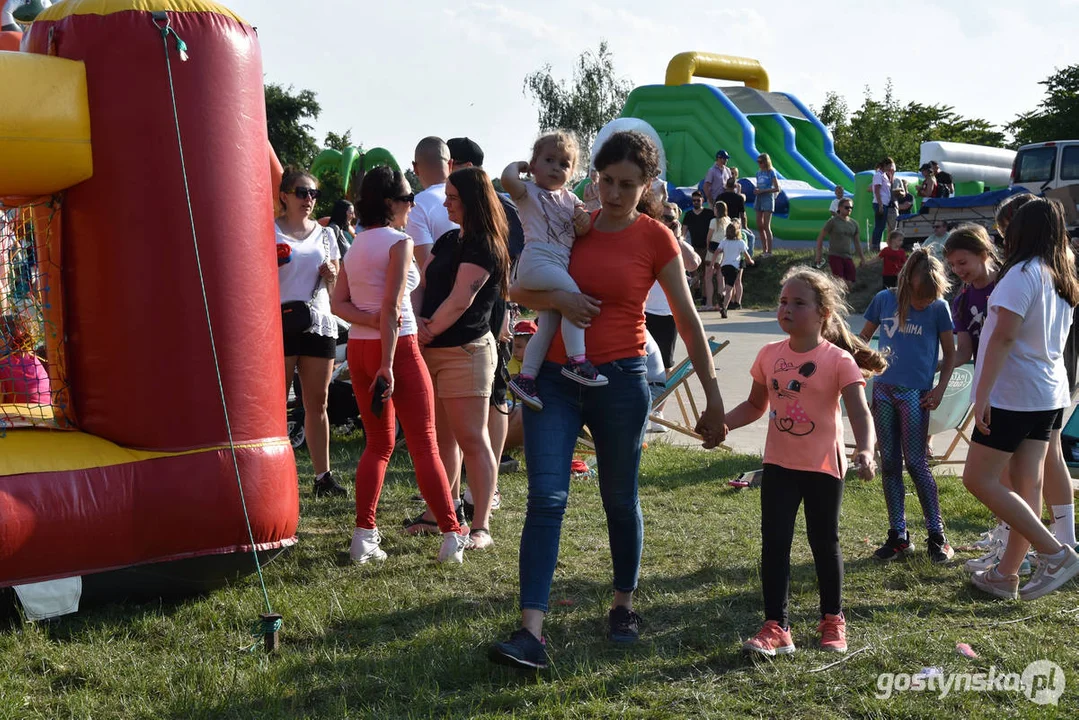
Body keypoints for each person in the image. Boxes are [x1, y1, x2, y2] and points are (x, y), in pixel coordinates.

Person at [488, 130, 726, 670]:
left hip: (620, 380)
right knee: (546, 498)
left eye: (627, 185)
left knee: (619, 497)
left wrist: (712, 397)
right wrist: (563, 298)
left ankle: (623, 603)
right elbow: (514, 290)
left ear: (646, 186)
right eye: (606, 181)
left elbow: (688, 321)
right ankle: (531, 631)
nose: (614, 194)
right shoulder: (573, 222)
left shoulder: (655, 238)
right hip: (553, 379)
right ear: (592, 177)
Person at [726, 267, 881, 657]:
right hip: (779, 464)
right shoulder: (768, 355)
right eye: (782, 302)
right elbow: (754, 406)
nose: (787, 309)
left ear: (823, 312)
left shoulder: (838, 360)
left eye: (798, 303)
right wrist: (721, 425)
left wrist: (865, 448)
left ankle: (832, 619)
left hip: (824, 468)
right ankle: (776, 627)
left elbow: (861, 413)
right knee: (774, 544)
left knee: (823, 543)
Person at [329, 166, 467, 564]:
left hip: (359, 348)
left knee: (378, 445)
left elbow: (340, 305)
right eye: (408, 199)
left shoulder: (355, 244)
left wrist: (373, 324)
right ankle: (452, 535)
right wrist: (388, 362)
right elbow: (391, 307)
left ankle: (364, 534)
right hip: (398, 348)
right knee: (424, 442)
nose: (412, 205)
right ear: (390, 203)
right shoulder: (399, 242)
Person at [962, 198, 1079, 600]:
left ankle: (1052, 553)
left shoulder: (1020, 274)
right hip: (1047, 394)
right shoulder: (1059, 276)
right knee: (1027, 482)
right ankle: (1007, 574)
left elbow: (1005, 335)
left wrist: (982, 393)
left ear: (1018, 232)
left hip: (1014, 395)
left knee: (978, 478)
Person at [413, 166, 510, 551]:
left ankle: (481, 525)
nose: (446, 203)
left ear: (471, 200)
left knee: (472, 437)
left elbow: (460, 298)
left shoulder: (485, 244)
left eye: (452, 197)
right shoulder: (450, 239)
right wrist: (417, 321)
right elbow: (424, 284)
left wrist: (428, 329)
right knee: (442, 440)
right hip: (433, 349)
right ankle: (444, 512)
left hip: (466, 352)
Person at [860, 249, 956, 563]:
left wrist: (940, 388)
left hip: (916, 395)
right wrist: (857, 367)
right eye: (919, 297)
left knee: (915, 462)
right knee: (889, 462)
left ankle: (937, 534)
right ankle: (898, 534)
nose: (923, 303)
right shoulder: (884, 300)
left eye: (929, 298)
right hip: (884, 391)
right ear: (906, 284)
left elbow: (951, 353)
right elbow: (861, 341)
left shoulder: (939, 308)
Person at [447, 136, 523, 507]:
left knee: (492, 396)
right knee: (488, 398)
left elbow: (511, 262)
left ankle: (484, 487)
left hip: (483, 311)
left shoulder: (496, 206)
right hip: (489, 308)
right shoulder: (502, 205)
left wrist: (507, 310)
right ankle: (471, 486)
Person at [504, 131, 600, 412]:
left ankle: (527, 377)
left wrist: (582, 218)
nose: (556, 168)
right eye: (548, 160)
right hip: (536, 262)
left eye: (564, 163)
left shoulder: (570, 198)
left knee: (547, 323)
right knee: (573, 300)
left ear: (572, 172)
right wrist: (517, 167)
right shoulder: (529, 192)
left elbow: (583, 227)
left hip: (555, 265)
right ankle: (578, 361)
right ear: (534, 165)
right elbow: (509, 180)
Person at [275, 169, 346, 498]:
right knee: (276, 406)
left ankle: (322, 477)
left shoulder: (326, 235)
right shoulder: (270, 232)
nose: (309, 199)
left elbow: (336, 289)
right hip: (281, 323)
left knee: (318, 402)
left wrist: (332, 275)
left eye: (314, 194)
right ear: (284, 195)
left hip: (318, 322)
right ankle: (277, 478)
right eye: (302, 192)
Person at [407, 137, 458, 269]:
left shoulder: (415, 206)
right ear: (450, 164)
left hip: (443, 288)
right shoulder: (474, 198)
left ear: (415, 168)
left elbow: (428, 270)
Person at [0, 313, 50, 405]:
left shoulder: (5, 364)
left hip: (25, 416)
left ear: (7, 338)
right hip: (48, 411)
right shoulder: (33, 359)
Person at [814, 197, 864, 288]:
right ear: (839, 208)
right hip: (835, 255)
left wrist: (862, 258)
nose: (849, 209)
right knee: (839, 281)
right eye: (846, 207)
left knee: (850, 282)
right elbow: (820, 238)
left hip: (848, 256)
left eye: (851, 208)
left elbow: (857, 242)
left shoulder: (854, 224)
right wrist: (819, 255)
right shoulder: (833, 222)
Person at [715, 221, 754, 319]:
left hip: (724, 267)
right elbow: (746, 254)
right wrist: (751, 261)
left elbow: (717, 252)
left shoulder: (724, 241)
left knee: (728, 285)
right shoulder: (740, 242)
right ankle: (724, 307)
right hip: (734, 267)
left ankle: (723, 296)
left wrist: (713, 263)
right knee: (729, 289)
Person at [681, 190, 714, 302]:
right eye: (694, 200)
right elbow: (683, 232)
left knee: (706, 273)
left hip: (707, 247)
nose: (695, 202)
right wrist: (681, 242)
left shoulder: (709, 213)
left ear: (702, 201)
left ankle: (705, 297)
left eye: (698, 200)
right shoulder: (689, 214)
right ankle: (697, 291)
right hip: (694, 247)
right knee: (693, 271)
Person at [701, 200, 730, 311]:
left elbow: (709, 236)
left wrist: (707, 246)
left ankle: (709, 303)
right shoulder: (728, 220)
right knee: (720, 277)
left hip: (713, 250)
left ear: (717, 210)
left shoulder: (714, 221)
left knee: (708, 277)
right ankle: (720, 303)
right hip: (724, 250)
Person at [754, 153, 780, 256]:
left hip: (768, 199)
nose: (759, 164)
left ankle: (769, 251)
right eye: (758, 162)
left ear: (765, 162)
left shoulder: (771, 172)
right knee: (759, 225)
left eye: (760, 162)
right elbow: (759, 185)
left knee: (766, 225)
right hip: (759, 198)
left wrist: (763, 191)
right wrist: (757, 190)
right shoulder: (758, 173)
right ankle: (764, 249)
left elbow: (776, 188)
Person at [871, 158, 894, 251]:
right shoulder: (878, 175)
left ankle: (877, 245)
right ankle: (875, 246)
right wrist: (880, 205)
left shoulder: (884, 175)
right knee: (879, 226)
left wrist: (892, 175)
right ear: (885, 165)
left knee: (881, 226)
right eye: (889, 165)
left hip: (884, 203)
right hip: (879, 203)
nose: (890, 167)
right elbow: (877, 190)